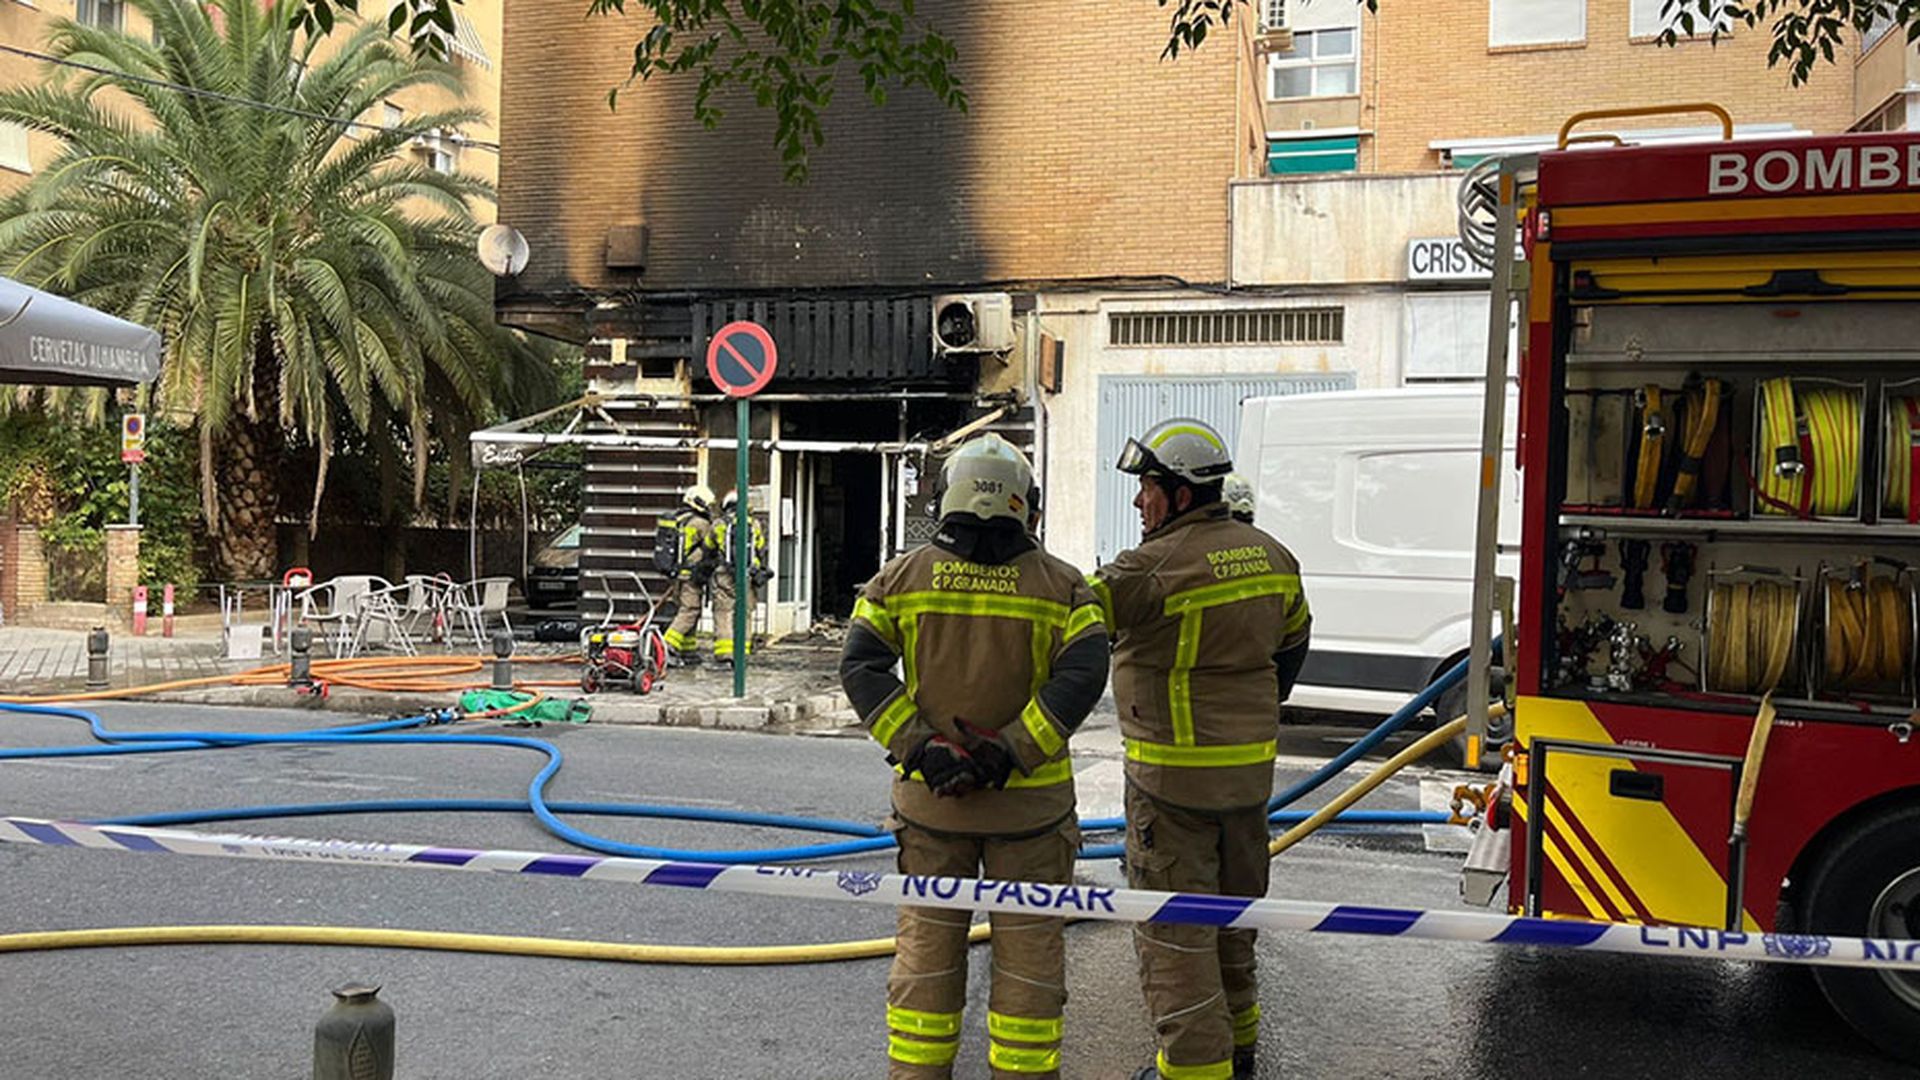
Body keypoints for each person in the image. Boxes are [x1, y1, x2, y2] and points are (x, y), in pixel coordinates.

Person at [840, 434, 1109, 1080]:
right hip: (1033, 818)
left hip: (934, 813)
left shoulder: (899, 580)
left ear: (946, 500)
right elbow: (1082, 677)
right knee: (1030, 970)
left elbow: (862, 667)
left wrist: (921, 749)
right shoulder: (1066, 588)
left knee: (927, 962)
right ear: (1027, 508)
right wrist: (1008, 754)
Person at [1090, 419, 1311, 1080]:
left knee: (1174, 940)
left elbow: (1065, 629)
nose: (1138, 503)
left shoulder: (1145, 568)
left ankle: (1192, 1070)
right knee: (1234, 922)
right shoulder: (1274, 556)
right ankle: (1240, 1047)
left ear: (1182, 495)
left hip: (1171, 790)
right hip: (1247, 786)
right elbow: (1293, 646)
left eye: (1148, 490)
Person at [711, 489, 770, 666]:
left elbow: (709, 546)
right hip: (747, 574)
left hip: (724, 574)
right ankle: (742, 652)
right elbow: (760, 548)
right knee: (745, 613)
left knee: (724, 612)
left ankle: (724, 653)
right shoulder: (754, 524)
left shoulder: (720, 524)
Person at [661, 484, 717, 663]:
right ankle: (666, 646)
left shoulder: (680, 518)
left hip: (677, 574)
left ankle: (687, 650)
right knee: (690, 610)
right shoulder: (701, 523)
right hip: (691, 575)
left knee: (684, 609)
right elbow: (712, 545)